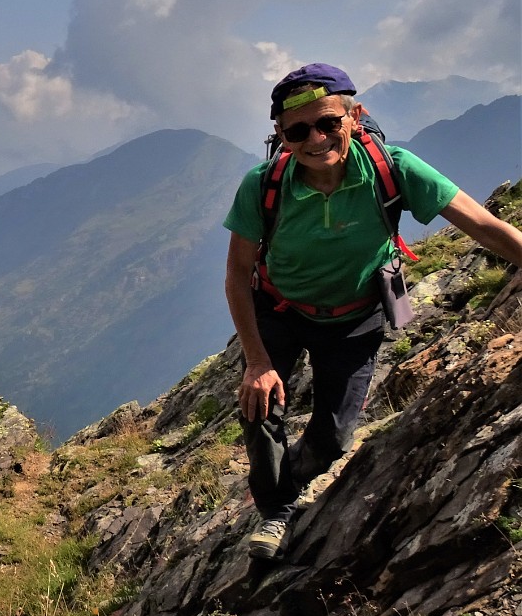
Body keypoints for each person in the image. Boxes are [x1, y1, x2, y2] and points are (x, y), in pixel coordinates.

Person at [224, 63, 522, 559]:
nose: (316, 139)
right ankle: (276, 509)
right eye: (298, 131)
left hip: (353, 315)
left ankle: (290, 477)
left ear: (354, 116)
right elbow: (237, 273)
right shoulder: (264, 184)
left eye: (328, 124)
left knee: (335, 437)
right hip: (278, 307)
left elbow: (483, 225)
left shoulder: (393, 168)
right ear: (280, 135)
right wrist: (257, 362)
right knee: (260, 410)